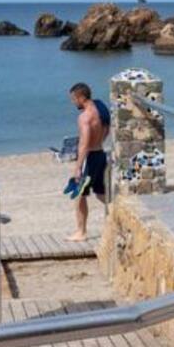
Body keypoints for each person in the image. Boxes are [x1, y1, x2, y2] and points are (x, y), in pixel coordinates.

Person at [66, 82, 109, 242]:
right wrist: (99, 143)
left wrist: (78, 167)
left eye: (73, 99)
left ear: (81, 97)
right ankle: (118, 217)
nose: (73, 102)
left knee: (79, 195)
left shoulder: (85, 117)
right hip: (100, 154)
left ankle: (81, 232)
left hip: (89, 158)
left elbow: (84, 143)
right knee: (101, 193)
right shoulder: (101, 109)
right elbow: (107, 129)